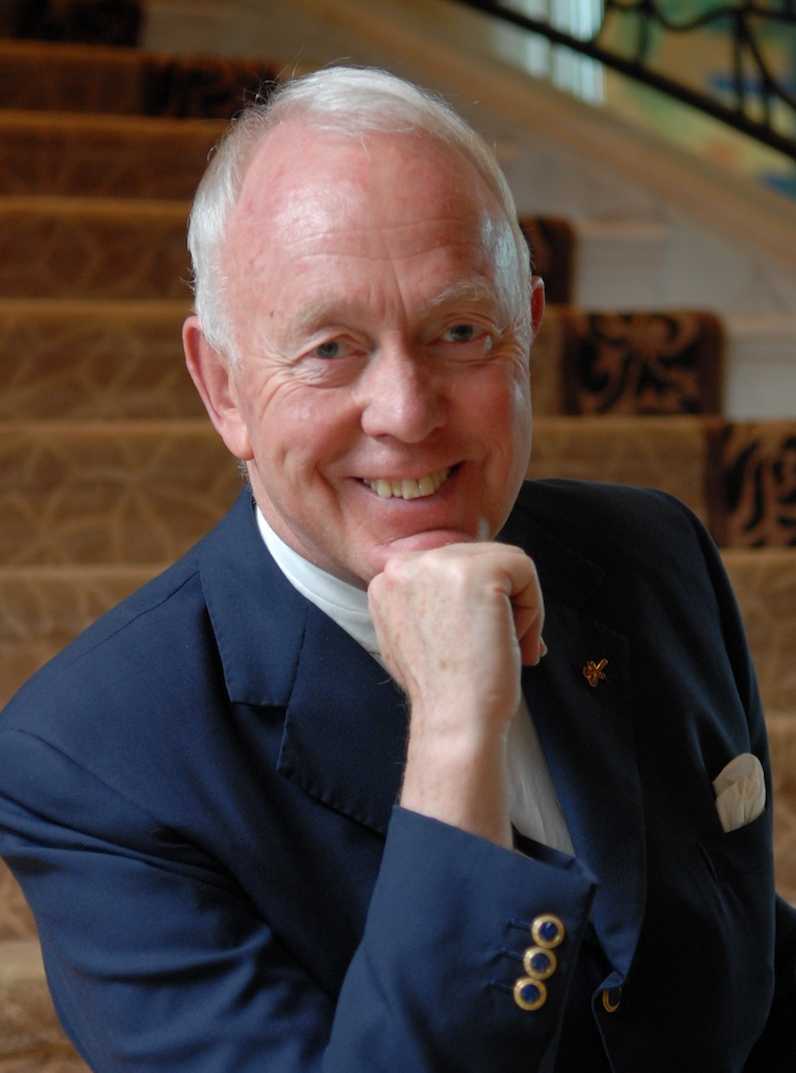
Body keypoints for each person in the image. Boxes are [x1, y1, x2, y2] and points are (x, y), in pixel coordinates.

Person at [0, 66, 793, 1073]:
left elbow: (747, 975)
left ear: (527, 333)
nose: (408, 412)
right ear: (223, 387)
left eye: (458, 331)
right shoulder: (89, 762)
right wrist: (456, 728)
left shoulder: (652, 552)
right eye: (331, 348)